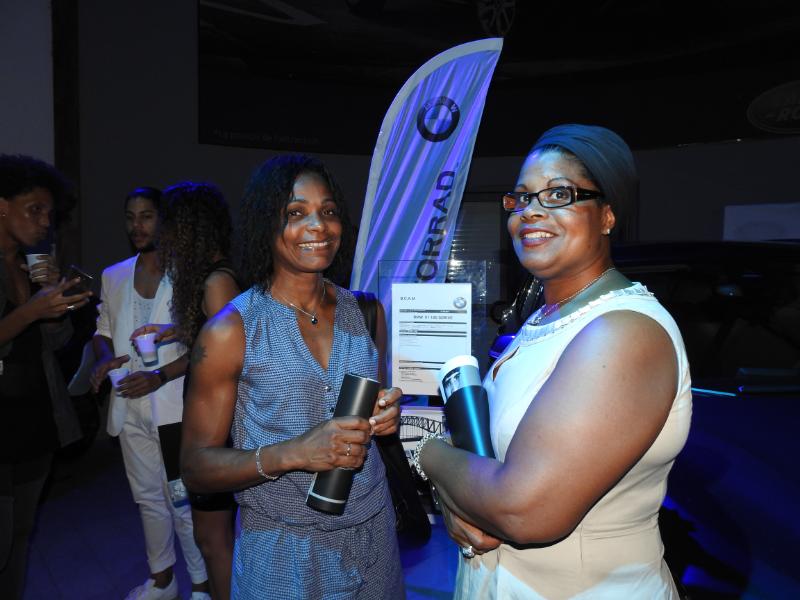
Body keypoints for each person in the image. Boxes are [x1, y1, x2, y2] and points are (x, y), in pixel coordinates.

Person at [416, 124, 692, 598]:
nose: (530, 211)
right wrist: (454, 500)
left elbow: (525, 511)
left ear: (607, 215)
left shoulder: (622, 332)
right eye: (521, 198)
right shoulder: (544, 319)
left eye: (559, 194)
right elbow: (492, 460)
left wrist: (425, 452)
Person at [180, 155, 405, 599]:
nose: (319, 226)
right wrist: (295, 452)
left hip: (374, 535)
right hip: (283, 548)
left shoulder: (366, 312)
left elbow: (374, 405)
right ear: (267, 222)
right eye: (296, 212)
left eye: (328, 211)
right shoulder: (232, 330)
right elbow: (196, 468)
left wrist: (385, 416)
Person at [89, 187, 210, 600]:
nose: (136, 226)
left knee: (182, 500)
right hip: (128, 403)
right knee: (147, 499)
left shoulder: (188, 276)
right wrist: (104, 359)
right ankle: (162, 580)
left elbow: (207, 344)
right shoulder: (114, 275)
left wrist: (159, 376)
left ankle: (201, 585)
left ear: (164, 219)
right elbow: (103, 330)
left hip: (175, 407)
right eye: (130, 217)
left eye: (146, 216)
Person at [131, 182, 239, 600]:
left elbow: (225, 358)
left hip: (215, 427)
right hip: (209, 423)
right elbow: (209, 338)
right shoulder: (213, 279)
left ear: (190, 230)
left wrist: (163, 374)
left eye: (171, 228)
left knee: (214, 540)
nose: (165, 238)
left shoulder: (217, 281)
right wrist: (174, 330)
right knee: (209, 537)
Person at [0, 154, 91, 599]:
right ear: (1, 207)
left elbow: (56, 343)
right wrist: (31, 311)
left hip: (36, 419)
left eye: (49, 214)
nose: (44, 223)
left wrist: (53, 301)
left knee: (20, 535)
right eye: (33, 209)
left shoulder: (27, 266)